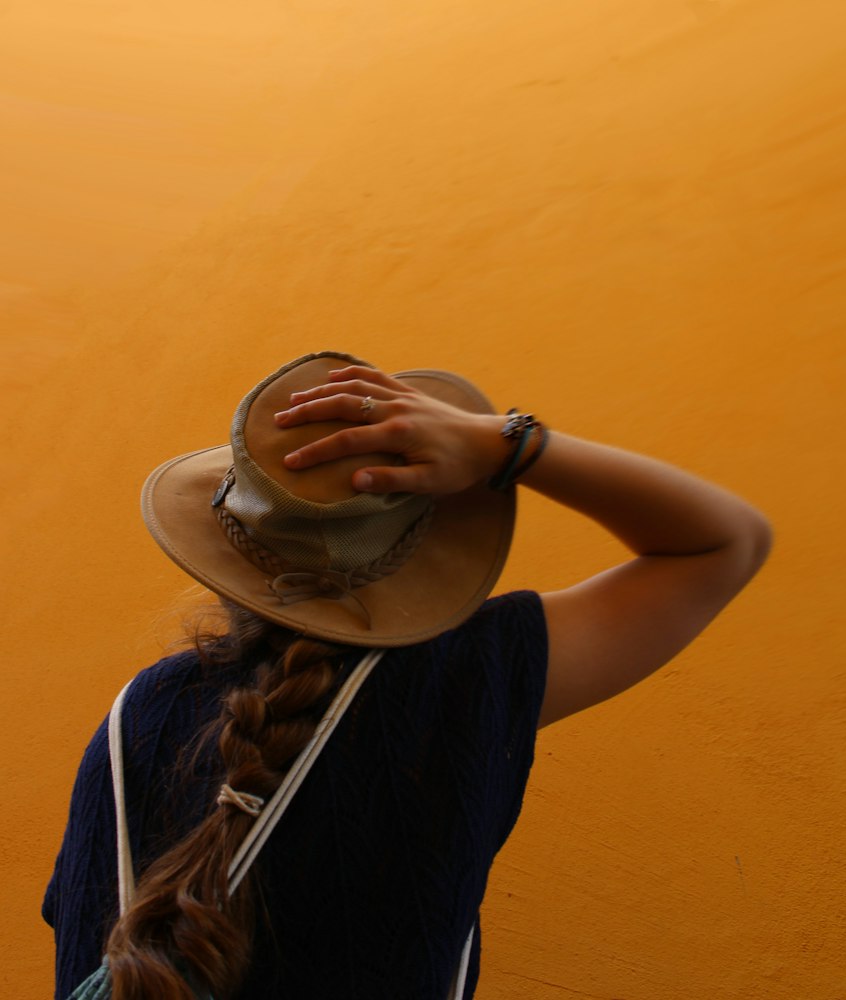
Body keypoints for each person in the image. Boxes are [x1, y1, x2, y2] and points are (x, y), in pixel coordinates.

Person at [43, 351, 770, 1000]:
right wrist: (505, 444)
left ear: (225, 544)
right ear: (419, 552)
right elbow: (725, 541)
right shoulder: (467, 676)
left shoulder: (134, 717)